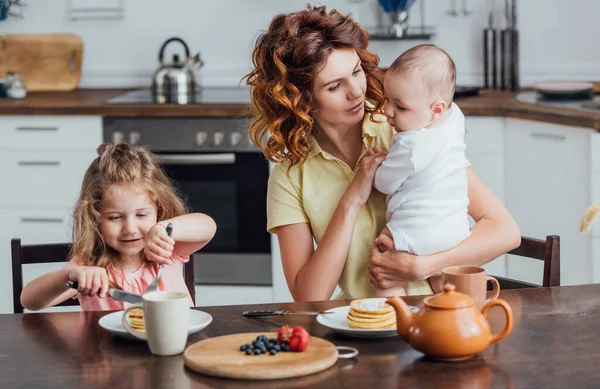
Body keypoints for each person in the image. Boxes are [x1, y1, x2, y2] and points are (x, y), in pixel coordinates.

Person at [245, 5, 520, 302]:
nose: (356, 92)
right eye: (335, 86)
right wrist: (351, 200)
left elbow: (504, 231)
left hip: (440, 316)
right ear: (302, 100)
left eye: (356, 72)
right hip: (356, 324)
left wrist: (420, 266)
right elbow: (307, 297)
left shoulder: (407, 130)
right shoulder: (290, 176)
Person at [20, 143, 217, 311]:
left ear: (158, 209)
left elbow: (208, 226)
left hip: (174, 348)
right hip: (108, 353)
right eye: (115, 217)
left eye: (141, 214)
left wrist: (162, 228)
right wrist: (69, 275)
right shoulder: (90, 266)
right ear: (95, 217)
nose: (130, 228)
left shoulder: (168, 250)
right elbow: (29, 301)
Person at [372, 44, 471, 298]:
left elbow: (384, 183)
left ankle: (395, 317)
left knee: (383, 267)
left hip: (415, 233)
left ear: (435, 110)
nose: (387, 111)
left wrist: (378, 164)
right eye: (387, 99)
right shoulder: (454, 117)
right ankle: (446, 315)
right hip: (456, 232)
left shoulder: (409, 145)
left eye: (400, 107)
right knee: (443, 283)